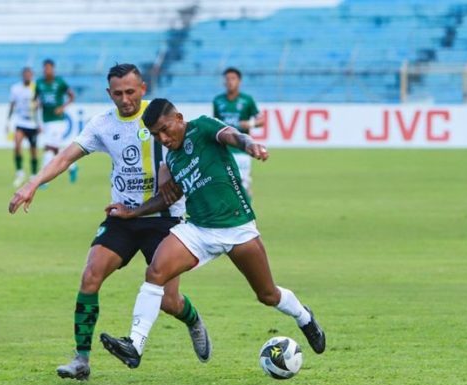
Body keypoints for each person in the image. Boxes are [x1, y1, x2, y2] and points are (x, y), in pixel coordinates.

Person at [8, 64, 211, 381]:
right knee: (90, 276)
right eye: (118, 93)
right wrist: (32, 184)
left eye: (131, 92)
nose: (125, 99)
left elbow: (191, 149)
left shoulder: (160, 117)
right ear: (109, 93)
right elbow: (64, 157)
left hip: (163, 220)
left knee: (170, 302)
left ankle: (193, 319)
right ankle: (81, 360)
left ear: (142, 89)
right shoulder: (102, 124)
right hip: (122, 216)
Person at [99, 98, 325, 370]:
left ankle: (304, 317)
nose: (163, 138)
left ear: (179, 118)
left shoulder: (202, 127)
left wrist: (249, 144)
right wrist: (132, 212)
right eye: (156, 134)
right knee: (155, 272)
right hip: (198, 230)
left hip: (237, 229)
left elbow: (231, 134)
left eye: (165, 129)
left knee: (267, 295)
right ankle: (135, 345)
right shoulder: (172, 159)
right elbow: (166, 198)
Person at [213, 67, 265, 198]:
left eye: (233, 78)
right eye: (227, 79)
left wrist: (250, 124)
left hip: (241, 151)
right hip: (223, 150)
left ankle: (248, 216)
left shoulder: (247, 100)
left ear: (239, 81)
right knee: (222, 185)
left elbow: (262, 120)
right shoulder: (218, 101)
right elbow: (215, 124)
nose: (230, 82)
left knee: (243, 186)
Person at [35, 59, 78, 184]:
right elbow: (36, 100)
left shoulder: (60, 82)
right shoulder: (39, 83)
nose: (47, 70)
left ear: (53, 69)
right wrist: (38, 120)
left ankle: (43, 180)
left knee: (49, 148)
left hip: (58, 121)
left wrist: (63, 107)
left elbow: (72, 95)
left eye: (49, 68)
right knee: (55, 149)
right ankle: (73, 167)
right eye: (45, 68)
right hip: (46, 120)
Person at [8, 67, 40, 188]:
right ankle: (19, 173)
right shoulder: (15, 88)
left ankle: (33, 175)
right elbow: (12, 105)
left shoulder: (36, 87)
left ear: (31, 75)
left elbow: (40, 106)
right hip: (21, 123)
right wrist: (8, 121)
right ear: (22, 75)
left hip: (32, 124)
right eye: (25, 74)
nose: (27, 76)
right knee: (17, 145)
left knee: (33, 151)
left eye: (29, 74)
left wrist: (39, 123)